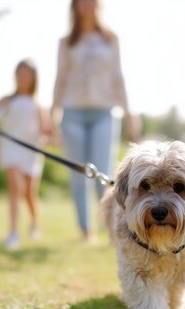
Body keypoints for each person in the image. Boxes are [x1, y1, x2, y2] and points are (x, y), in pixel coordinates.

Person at [52, 0, 139, 242]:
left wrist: (129, 113)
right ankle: (85, 230)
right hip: (72, 113)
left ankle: (113, 227)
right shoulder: (66, 42)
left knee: (104, 172)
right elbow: (60, 79)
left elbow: (118, 78)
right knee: (79, 176)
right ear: (76, 7)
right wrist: (52, 116)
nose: (87, 5)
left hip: (104, 111)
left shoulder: (111, 39)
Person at [0, 60, 49, 250]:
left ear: (34, 78)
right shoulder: (8, 100)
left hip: (30, 151)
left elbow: (46, 130)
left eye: (27, 74)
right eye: (20, 73)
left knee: (29, 193)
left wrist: (48, 137)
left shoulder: (38, 105)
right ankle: (13, 232)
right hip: (10, 150)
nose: (23, 77)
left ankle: (34, 224)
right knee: (16, 188)